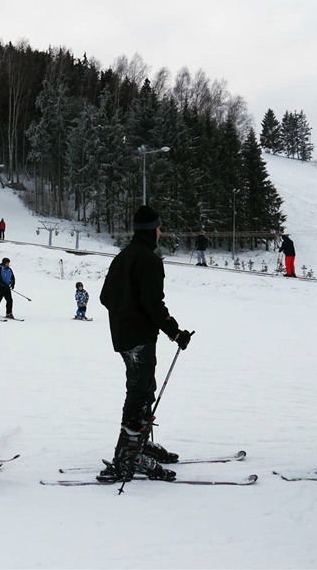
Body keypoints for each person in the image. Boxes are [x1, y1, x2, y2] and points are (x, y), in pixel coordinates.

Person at [98, 205, 193, 482]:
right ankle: (128, 457)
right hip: (139, 338)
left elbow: (105, 297)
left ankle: (139, 442)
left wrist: (123, 315)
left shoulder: (122, 257)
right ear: (152, 230)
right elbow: (153, 305)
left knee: (144, 387)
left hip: (123, 337)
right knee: (140, 391)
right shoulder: (150, 261)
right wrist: (176, 333)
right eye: (159, 228)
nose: (161, 232)